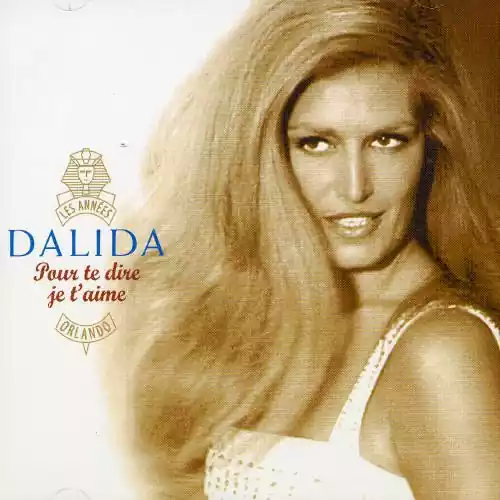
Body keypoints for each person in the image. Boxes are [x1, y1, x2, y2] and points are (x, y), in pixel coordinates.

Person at [100, 0, 500, 498]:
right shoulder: (267, 321)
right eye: (316, 143)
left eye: (386, 141)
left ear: (430, 146)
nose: (355, 187)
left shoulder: (442, 352)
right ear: (264, 153)